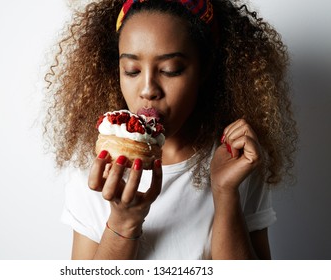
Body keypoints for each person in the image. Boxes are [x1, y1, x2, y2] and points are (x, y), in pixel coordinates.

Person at [44, 0, 297, 260]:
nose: (148, 89)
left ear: (204, 70)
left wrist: (225, 193)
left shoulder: (237, 162)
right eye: (132, 71)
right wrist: (123, 222)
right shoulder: (95, 168)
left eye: (170, 70)